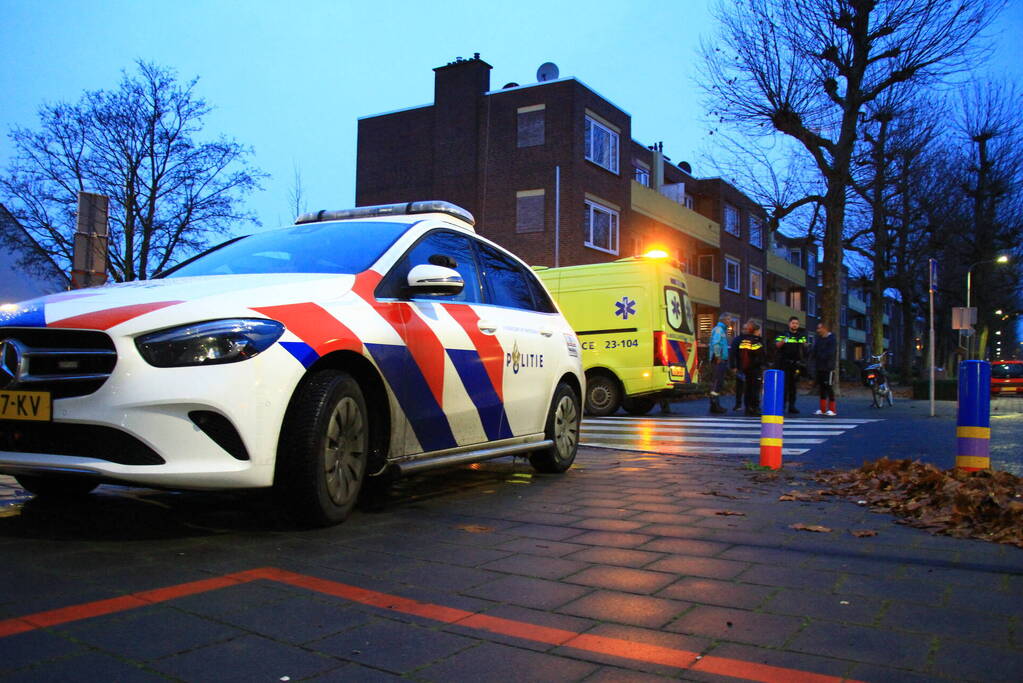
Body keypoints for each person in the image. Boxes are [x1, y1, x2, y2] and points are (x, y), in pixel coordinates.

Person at [774, 316, 808, 414]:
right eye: (793, 323)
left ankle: (792, 406)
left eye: (797, 323)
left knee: (793, 386)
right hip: (784, 363)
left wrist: (806, 346)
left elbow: (805, 347)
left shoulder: (801, 336)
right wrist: (784, 340)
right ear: (789, 324)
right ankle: (782, 406)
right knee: (784, 386)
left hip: (795, 364)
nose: (795, 325)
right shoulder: (783, 334)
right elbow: (777, 345)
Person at [735, 319, 767, 417]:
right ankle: (755, 408)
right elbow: (760, 355)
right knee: (755, 389)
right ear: (756, 331)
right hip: (755, 368)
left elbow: (742, 355)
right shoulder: (756, 341)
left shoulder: (744, 341)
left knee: (748, 389)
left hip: (746, 368)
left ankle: (748, 408)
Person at [812, 321, 837, 416]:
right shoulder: (819, 339)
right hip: (820, 367)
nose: (818, 330)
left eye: (819, 328)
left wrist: (820, 355)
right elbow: (814, 350)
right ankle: (822, 409)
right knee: (822, 387)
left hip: (828, 368)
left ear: (824, 329)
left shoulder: (832, 339)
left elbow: (830, 353)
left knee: (829, 386)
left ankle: (832, 409)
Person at [707, 314, 730, 414]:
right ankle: (714, 405)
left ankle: (715, 404)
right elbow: (716, 343)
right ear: (723, 320)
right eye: (728, 319)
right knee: (717, 382)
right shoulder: (719, 330)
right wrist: (718, 356)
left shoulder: (721, 329)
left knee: (718, 382)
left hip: (719, 359)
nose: (730, 321)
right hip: (718, 359)